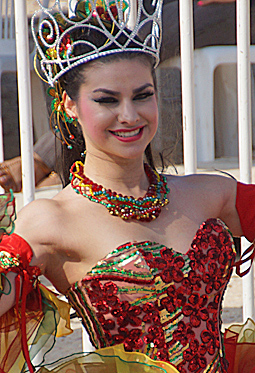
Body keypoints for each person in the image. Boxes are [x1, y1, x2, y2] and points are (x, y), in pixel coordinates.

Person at [0, 0, 255, 372]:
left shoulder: (211, 194)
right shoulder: (49, 222)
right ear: (69, 105)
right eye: (107, 100)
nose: (130, 116)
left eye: (142, 95)